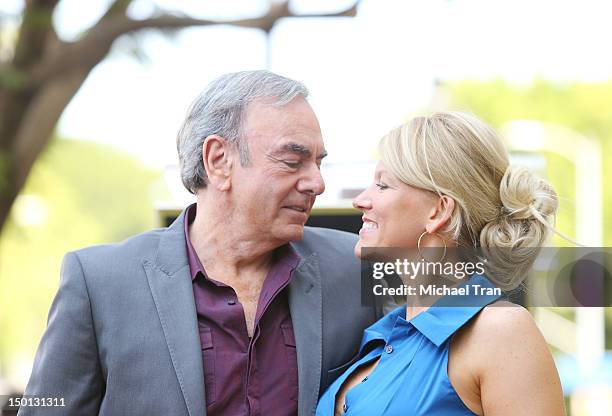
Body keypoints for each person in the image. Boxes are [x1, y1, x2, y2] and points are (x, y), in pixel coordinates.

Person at [21, 70, 389, 416]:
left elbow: (441, 325)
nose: (317, 183)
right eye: (293, 161)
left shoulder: (359, 265)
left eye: (318, 163)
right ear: (218, 160)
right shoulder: (98, 282)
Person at [316, 112, 566, 415]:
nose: (360, 201)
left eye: (382, 186)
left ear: (438, 211)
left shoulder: (501, 330)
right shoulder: (383, 335)